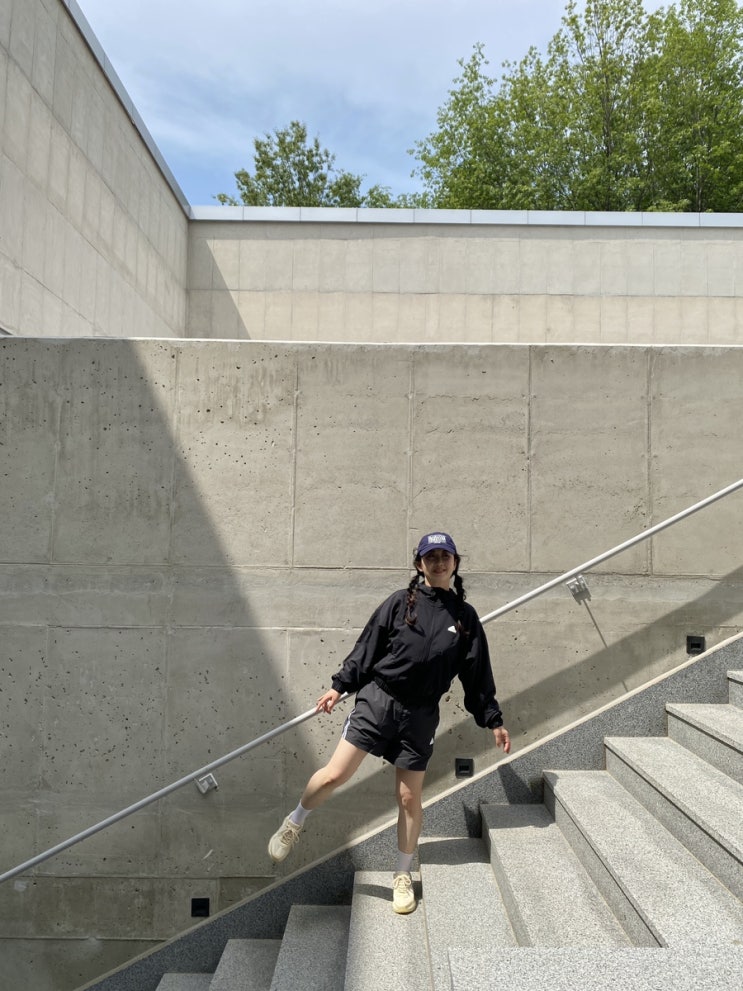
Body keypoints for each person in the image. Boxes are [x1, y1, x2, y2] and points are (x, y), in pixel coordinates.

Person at [267, 531, 511, 914]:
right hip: (379, 701)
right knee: (334, 775)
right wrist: (339, 685)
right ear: (419, 564)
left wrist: (492, 719)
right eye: (431, 557)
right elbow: (368, 646)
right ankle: (294, 822)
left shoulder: (465, 618)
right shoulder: (400, 603)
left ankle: (401, 874)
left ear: (455, 563)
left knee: (410, 798)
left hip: (421, 715)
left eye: (445, 556)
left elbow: (477, 674)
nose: (439, 563)